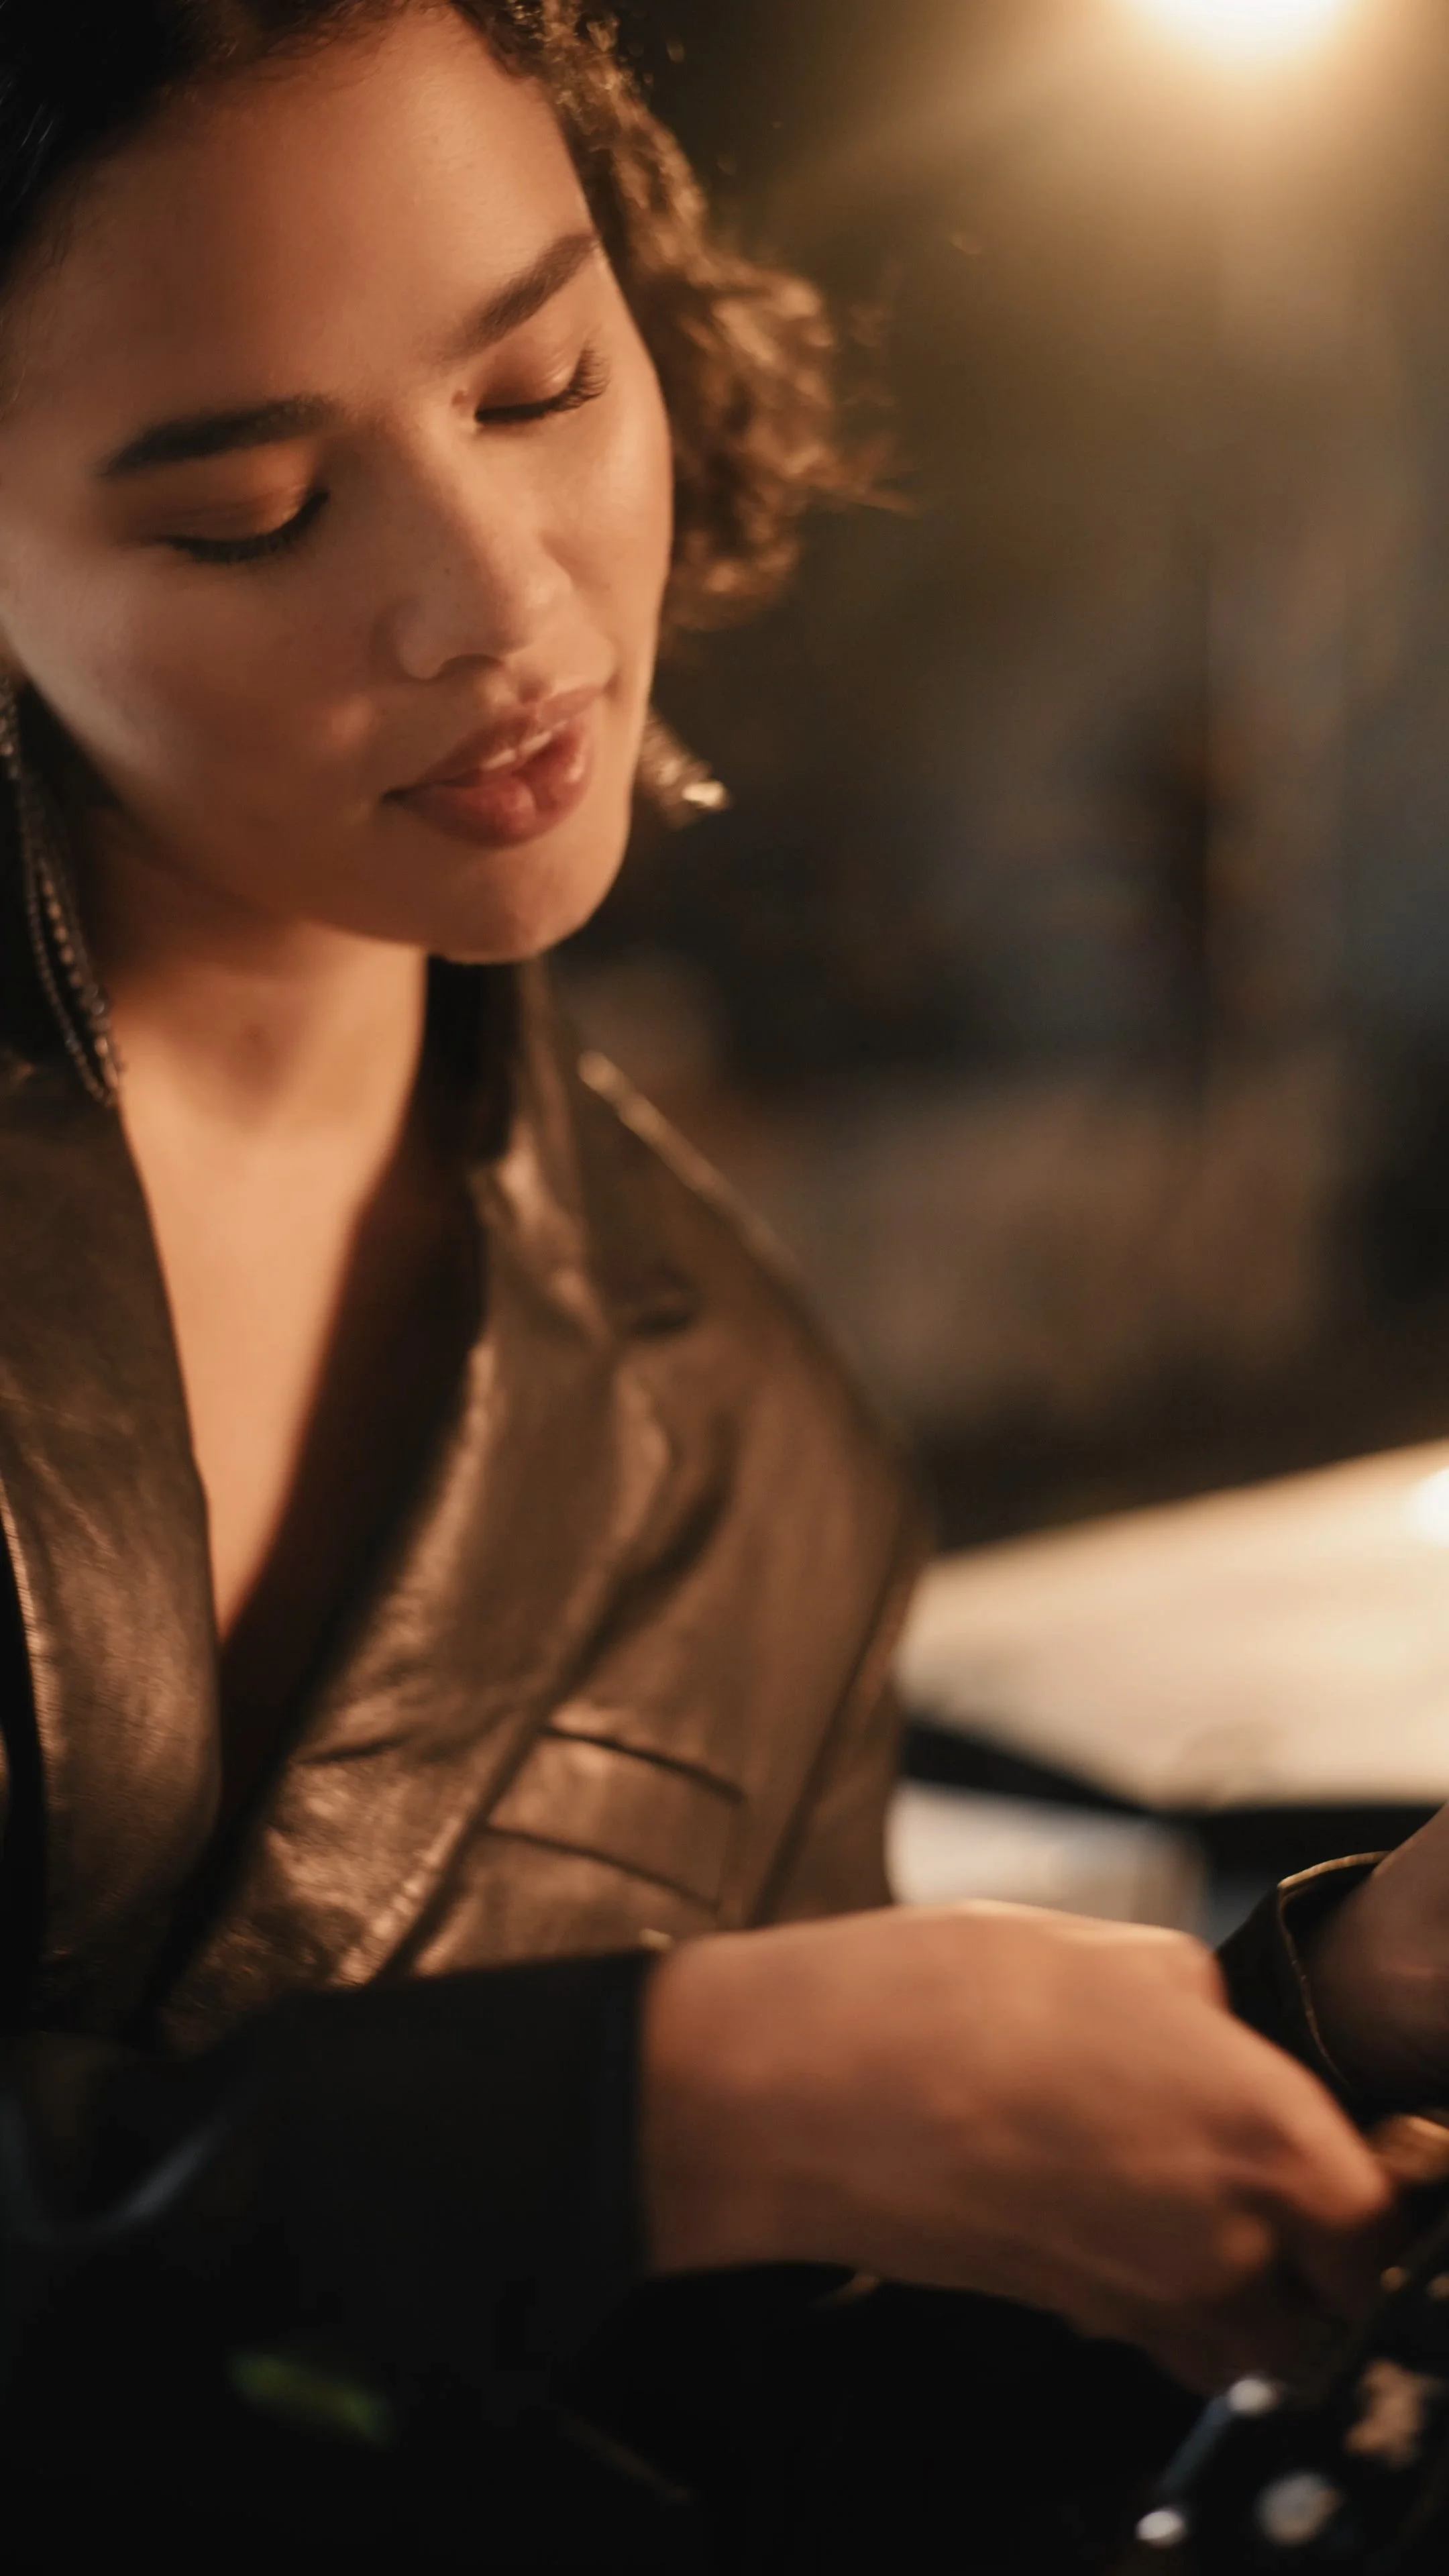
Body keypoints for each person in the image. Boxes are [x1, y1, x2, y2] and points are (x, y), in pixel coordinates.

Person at [0, 1, 1442, 2564]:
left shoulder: (754, 1444)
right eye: (247, 514)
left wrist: (1331, 2032)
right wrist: (644, 2107)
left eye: (542, 384)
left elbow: (751, 2438)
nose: (495, 598)